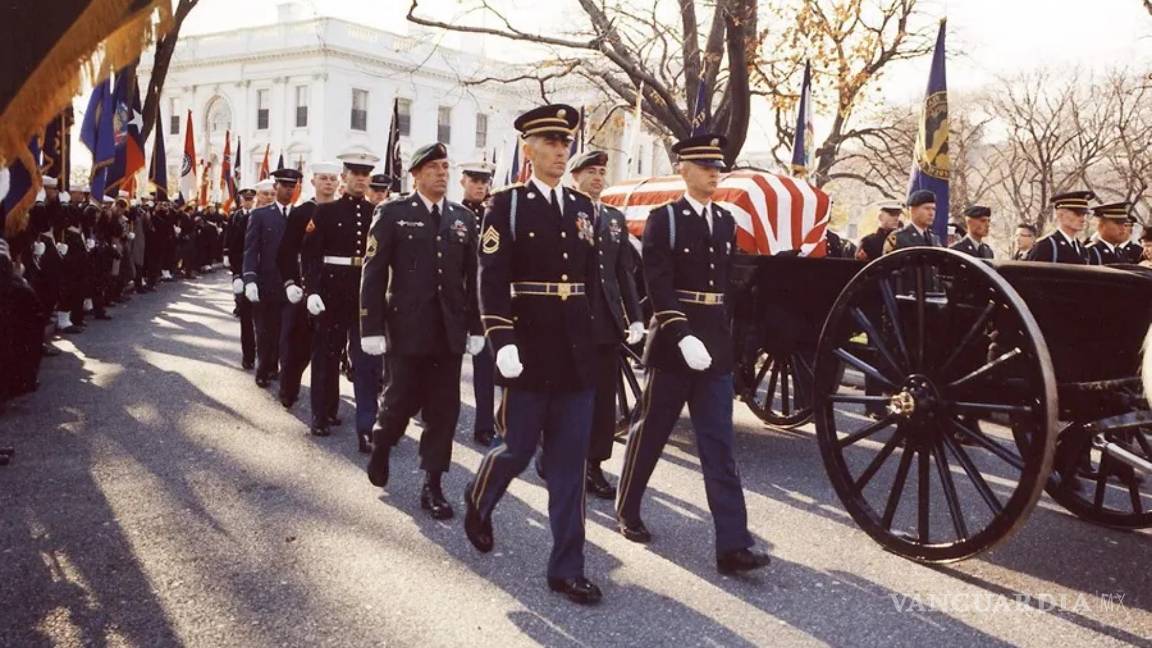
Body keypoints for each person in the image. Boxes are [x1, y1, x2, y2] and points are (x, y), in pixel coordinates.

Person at [614, 133, 771, 577]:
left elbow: (726, 291)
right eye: (705, 165)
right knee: (650, 435)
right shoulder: (664, 219)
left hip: (714, 351)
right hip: (674, 346)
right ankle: (628, 508)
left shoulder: (725, 222)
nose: (714, 172)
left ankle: (733, 545)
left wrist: (729, 348)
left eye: (718, 166)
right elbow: (658, 282)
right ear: (683, 168)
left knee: (720, 448)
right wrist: (682, 334)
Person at [467, 104, 602, 605]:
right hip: (526, 350)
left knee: (569, 465)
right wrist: (501, 340)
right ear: (529, 149)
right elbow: (492, 280)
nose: (560, 151)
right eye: (550, 143)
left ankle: (567, 568)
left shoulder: (583, 208)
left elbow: (590, 281)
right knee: (518, 450)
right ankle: (479, 499)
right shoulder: (506, 206)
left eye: (565, 143)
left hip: (574, 355)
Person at [360, 142, 484, 517]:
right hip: (407, 329)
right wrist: (371, 326)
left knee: (444, 412)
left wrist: (476, 326)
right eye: (433, 168)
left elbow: (472, 276)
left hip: (448, 332)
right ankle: (382, 444)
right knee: (398, 403)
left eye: (446, 167)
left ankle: (433, 485)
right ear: (415, 174)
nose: (442, 174)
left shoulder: (463, 217)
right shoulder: (393, 213)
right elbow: (374, 271)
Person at [554, 149, 644, 499]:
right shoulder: (561, 213)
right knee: (565, 394)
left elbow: (624, 273)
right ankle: (557, 454)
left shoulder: (613, 218)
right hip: (569, 320)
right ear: (574, 176)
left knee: (604, 400)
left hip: (605, 322)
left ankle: (593, 466)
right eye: (589, 171)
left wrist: (635, 317)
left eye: (601, 171)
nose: (597, 177)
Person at [300, 152, 383, 448]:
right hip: (332, 292)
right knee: (326, 355)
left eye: (365, 174)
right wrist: (311, 291)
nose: (361, 179)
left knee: (366, 360)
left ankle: (368, 423)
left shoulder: (378, 212)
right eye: (355, 173)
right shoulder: (325, 212)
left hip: (365, 292)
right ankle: (321, 415)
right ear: (344, 177)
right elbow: (310, 256)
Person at [276, 161, 341, 409]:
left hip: (333, 287)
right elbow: (286, 251)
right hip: (304, 285)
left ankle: (329, 406)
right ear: (313, 182)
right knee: (299, 346)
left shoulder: (341, 211)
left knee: (331, 351)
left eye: (333, 179)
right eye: (323, 178)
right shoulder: (302, 212)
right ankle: (289, 389)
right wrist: (290, 282)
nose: (328, 183)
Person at [243, 168, 302, 387]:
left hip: (291, 284)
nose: (288, 190)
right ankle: (263, 367)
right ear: (275, 187)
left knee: (286, 332)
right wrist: (249, 279)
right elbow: (251, 249)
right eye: (284, 186)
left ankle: (278, 367)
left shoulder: (301, 215)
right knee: (265, 330)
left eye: (292, 186)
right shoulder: (260, 215)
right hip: (266, 282)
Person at [458, 160, 499, 447]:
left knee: (485, 368)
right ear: (463, 181)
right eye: (474, 180)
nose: (480, 186)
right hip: (454, 300)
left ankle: (484, 425)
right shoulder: (452, 214)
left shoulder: (493, 216)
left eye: (484, 182)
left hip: (484, 302)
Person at [228, 188, 258, 370]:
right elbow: (234, 245)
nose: (249, 202)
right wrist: (236, 274)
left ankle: (269, 361)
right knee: (247, 318)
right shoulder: (238, 218)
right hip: (245, 272)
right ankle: (248, 355)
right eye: (246, 199)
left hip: (267, 277)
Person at [1026, 191, 1094, 264]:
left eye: (1084, 214)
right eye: (1077, 214)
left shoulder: (1082, 249)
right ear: (1060, 215)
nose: (1083, 219)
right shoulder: (1046, 246)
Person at [1084, 202, 1132, 266]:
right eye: (1118, 223)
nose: (1123, 228)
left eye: (1124, 224)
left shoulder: (1121, 253)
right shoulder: (1090, 252)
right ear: (1101, 226)